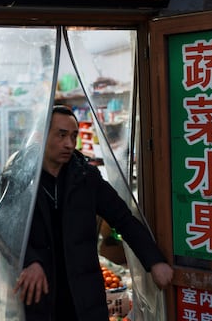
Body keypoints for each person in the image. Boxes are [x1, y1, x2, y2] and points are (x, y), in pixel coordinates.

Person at [10, 105, 173, 321]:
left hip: (84, 296)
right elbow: (4, 225)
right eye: (61, 135)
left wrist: (154, 260)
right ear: (41, 136)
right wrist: (30, 260)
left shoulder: (86, 178)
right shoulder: (20, 176)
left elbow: (123, 218)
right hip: (41, 295)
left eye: (74, 136)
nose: (69, 143)